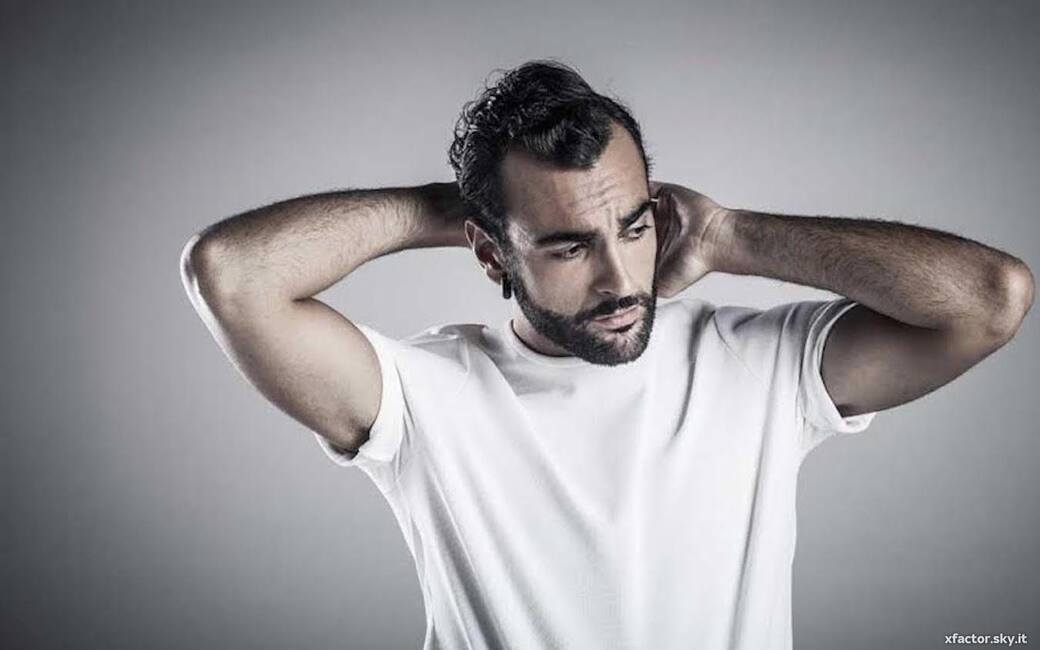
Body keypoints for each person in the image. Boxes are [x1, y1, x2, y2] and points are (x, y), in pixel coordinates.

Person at [179, 60, 1034, 650]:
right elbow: (232, 274)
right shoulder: (422, 396)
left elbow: (991, 300)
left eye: (633, 226)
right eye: (567, 246)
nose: (622, 278)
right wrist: (455, 208)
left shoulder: (757, 366)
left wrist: (732, 233)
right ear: (489, 255)